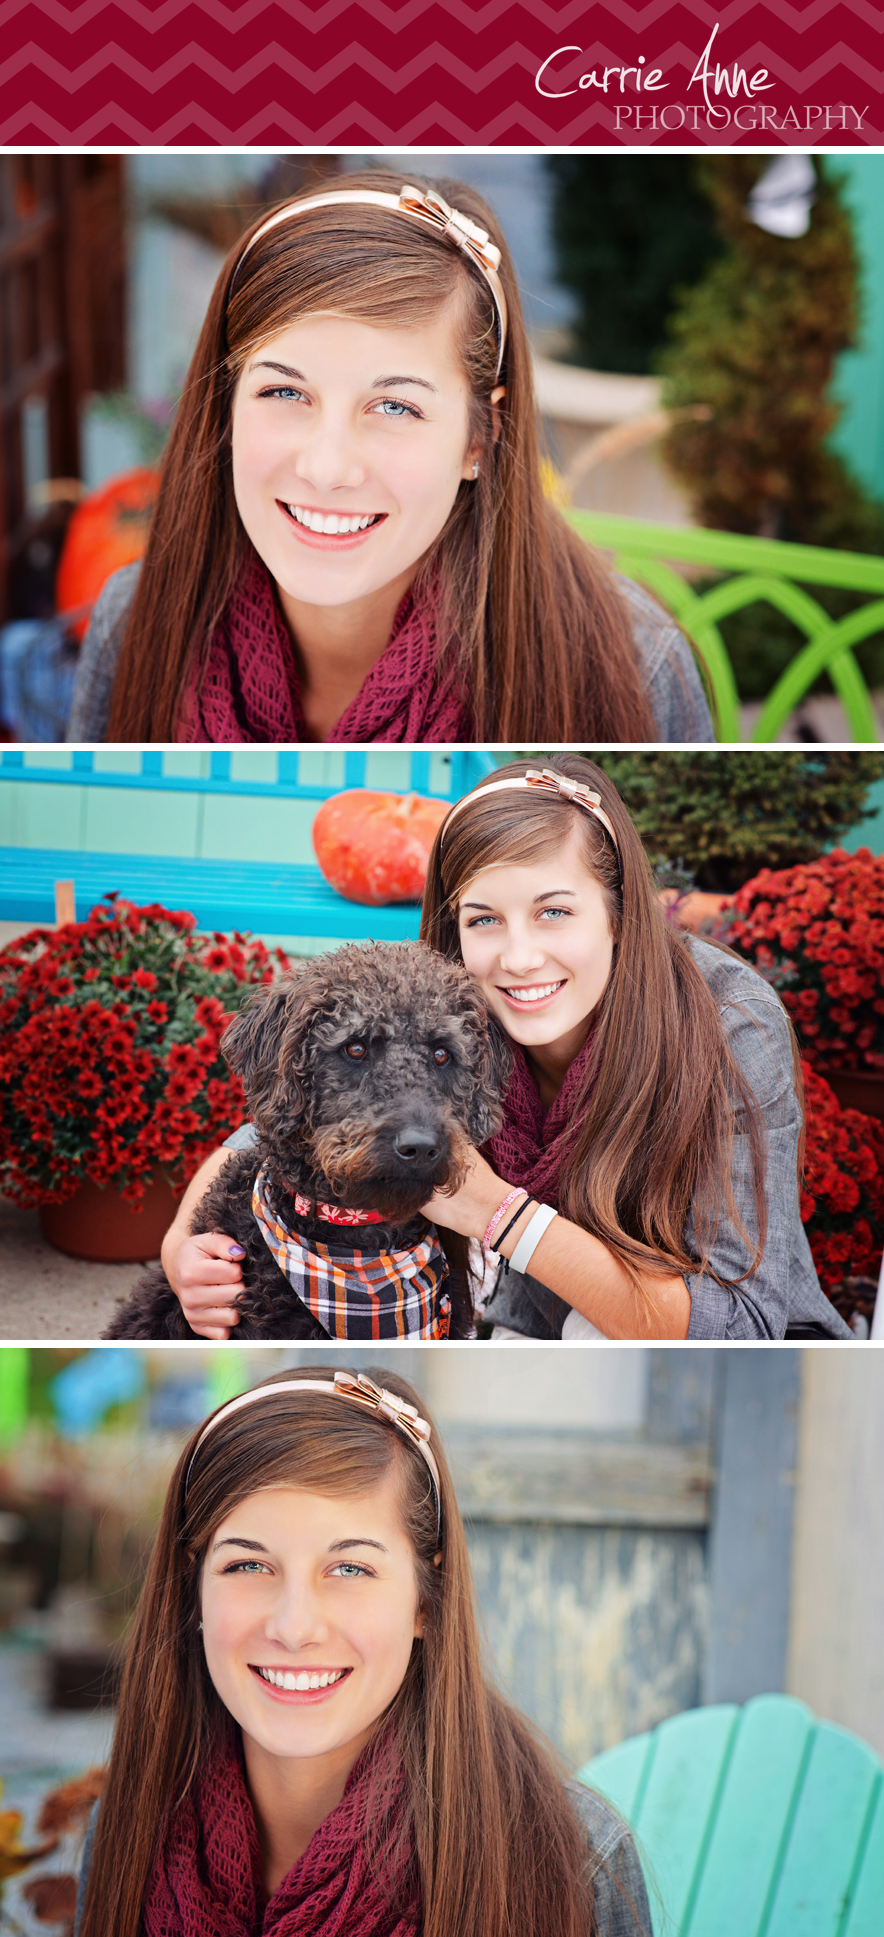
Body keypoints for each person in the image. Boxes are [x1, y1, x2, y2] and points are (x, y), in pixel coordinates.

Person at [161, 756, 851, 1342]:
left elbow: (743, 1321)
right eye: (484, 918)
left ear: (619, 914)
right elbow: (279, 1115)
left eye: (554, 910)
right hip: (519, 1320)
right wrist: (181, 1246)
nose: (519, 957)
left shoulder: (729, 1026)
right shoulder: (452, 996)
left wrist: (493, 1211)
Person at [66, 170, 713, 746]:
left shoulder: (631, 662)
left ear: (479, 437)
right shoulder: (136, 621)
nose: (326, 467)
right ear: (227, 406)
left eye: (395, 407)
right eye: (284, 391)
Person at [74, 1366, 652, 1937]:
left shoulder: (574, 1858)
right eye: (248, 1564)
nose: (294, 1627)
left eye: (350, 1567)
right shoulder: (130, 1828)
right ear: (192, 1590)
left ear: (426, 1601)